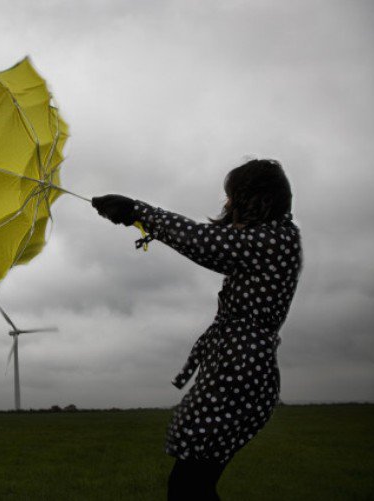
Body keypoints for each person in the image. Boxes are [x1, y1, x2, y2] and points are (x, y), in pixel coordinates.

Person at [92, 159, 302, 500]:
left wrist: (136, 211)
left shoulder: (273, 240)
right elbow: (206, 240)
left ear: (256, 198)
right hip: (236, 370)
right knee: (192, 485)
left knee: (189, 486)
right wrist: (136, 214)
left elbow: (202, 242)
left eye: (233, 197)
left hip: (240, 375)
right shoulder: (276, 237)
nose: (228, 204)